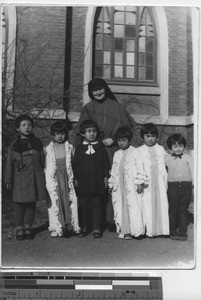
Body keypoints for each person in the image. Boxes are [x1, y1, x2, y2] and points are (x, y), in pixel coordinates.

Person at [76, 77, 136, 231]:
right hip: (93, 153)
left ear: (105, 89)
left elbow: (127, 129)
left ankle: (111, 219)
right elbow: (81, 132)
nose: (98, 92)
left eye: (100, 89)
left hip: (111, 150)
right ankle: (95, 222)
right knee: (95, 184)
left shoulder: (115, 106)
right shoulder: (88, 108)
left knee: (111, 183)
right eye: (95, 90)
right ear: (91, 92)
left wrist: (114, 139)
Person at [4, 114, 47, 240]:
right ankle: (19, 227)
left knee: (31, 202)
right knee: (20, 203)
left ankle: (28, 226)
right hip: (21, 179)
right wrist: (7, 180)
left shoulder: (37, 143)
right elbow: (8, 165)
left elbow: (43, 160)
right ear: (18, 128)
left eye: (29, 125)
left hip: (35, 177)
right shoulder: (14, 145)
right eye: (23, 125)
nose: (27, 127)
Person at [72, 120, 110, 238]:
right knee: (83, 205)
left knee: (96, 204)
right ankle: (85, 227)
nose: (92, 134)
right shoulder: (79, 148)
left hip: (96, 181)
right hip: (83, 181)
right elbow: (75, 165)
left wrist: (105, 177)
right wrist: (76, 178)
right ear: (83, 134)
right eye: (89, 131)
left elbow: (105, 164)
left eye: (94, 131)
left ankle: (96, 227)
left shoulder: (100, 147)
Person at [108, 126, 147, 240]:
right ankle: (124, 230)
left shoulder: (135, 152)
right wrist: (111, 184)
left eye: (124, 140)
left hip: (130, 185)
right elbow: (114, 169)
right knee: (120, 206)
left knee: (133, 206)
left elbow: (140, 167)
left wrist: (139, 182)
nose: (121, 143)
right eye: (119, 140)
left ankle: (134, 230)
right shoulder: (117, 154)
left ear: (129, 140)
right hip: (120, 185)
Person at [45, 121, 80, 237]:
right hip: (55, 178)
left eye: (62, 133)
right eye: (57, 134)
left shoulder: (70, 147)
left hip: (66, 177)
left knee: (68, 199)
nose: (60, 136)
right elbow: (47, 166)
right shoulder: (49, 149)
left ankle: (70, 225)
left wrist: (74, 178)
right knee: (56, 200)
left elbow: (74, 164)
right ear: (53, 135)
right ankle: (57, 226)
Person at [138, 123, 169, 237]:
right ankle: (151, 230)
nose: (150, 139)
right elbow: (138, 168)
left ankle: (163, 230)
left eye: (153, 136)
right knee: (148, 204)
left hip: (159, 180)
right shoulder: (139, 150)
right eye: (147, 136)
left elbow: (167, 161)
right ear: (143, 136)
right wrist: (140, 181)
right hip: (148, 182)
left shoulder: (160, 149)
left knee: (161, 203)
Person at [165, 134, 194, 241]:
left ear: (184, 146)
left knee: (183, 210)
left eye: (180, 146)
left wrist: (194, 184)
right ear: (170, 147)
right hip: (172, 187)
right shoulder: (166, 159)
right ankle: (172, 231)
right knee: (172, 209)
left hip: (186, 186)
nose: (178, 148)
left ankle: (182, 232)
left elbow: (193, 171)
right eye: (175, 146)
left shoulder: (188, 158)